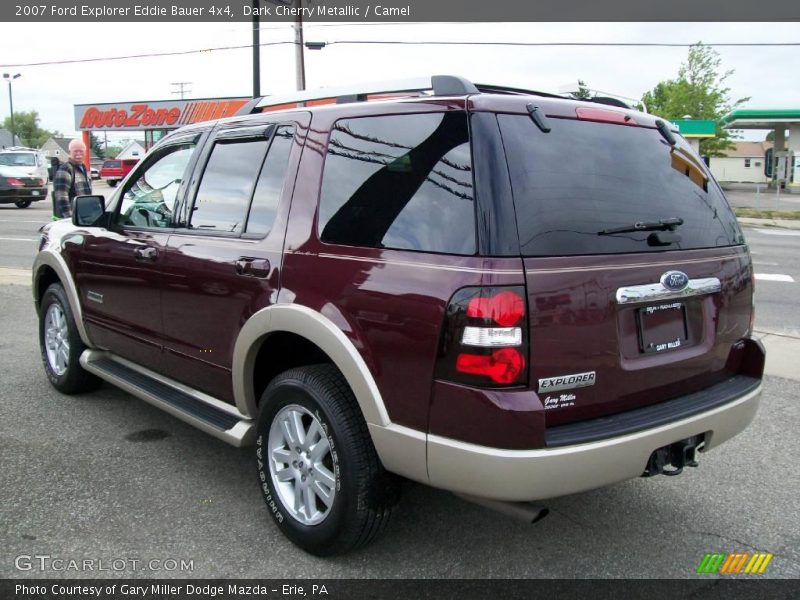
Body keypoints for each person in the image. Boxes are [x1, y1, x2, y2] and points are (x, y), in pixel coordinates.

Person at [52, 139, 92, 219]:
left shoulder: (83, 168)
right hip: (72, 218)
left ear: (85, 152)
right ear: (69, 152)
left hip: (83, 216)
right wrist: (69, 218)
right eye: (75, 151)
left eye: (81, 151)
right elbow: (61, 196)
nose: (79, 154)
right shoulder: (66, 169)